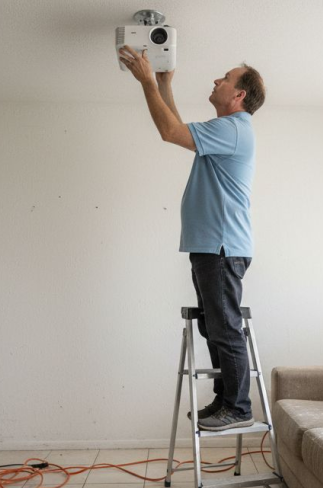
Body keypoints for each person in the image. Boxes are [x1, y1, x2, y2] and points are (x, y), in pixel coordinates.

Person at [118, 45, 265, 432]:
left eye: (226, 78)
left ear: (239, 95)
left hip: (220, 247)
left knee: (224, 327)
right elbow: (179, 128)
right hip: (212, 246)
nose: (217, 80)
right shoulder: (225, 131)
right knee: (212, 327)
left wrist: (147, 81)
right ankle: (225, 400)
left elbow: (169, 132)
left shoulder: (233, 129)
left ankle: (238, 407)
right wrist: (165, 85)